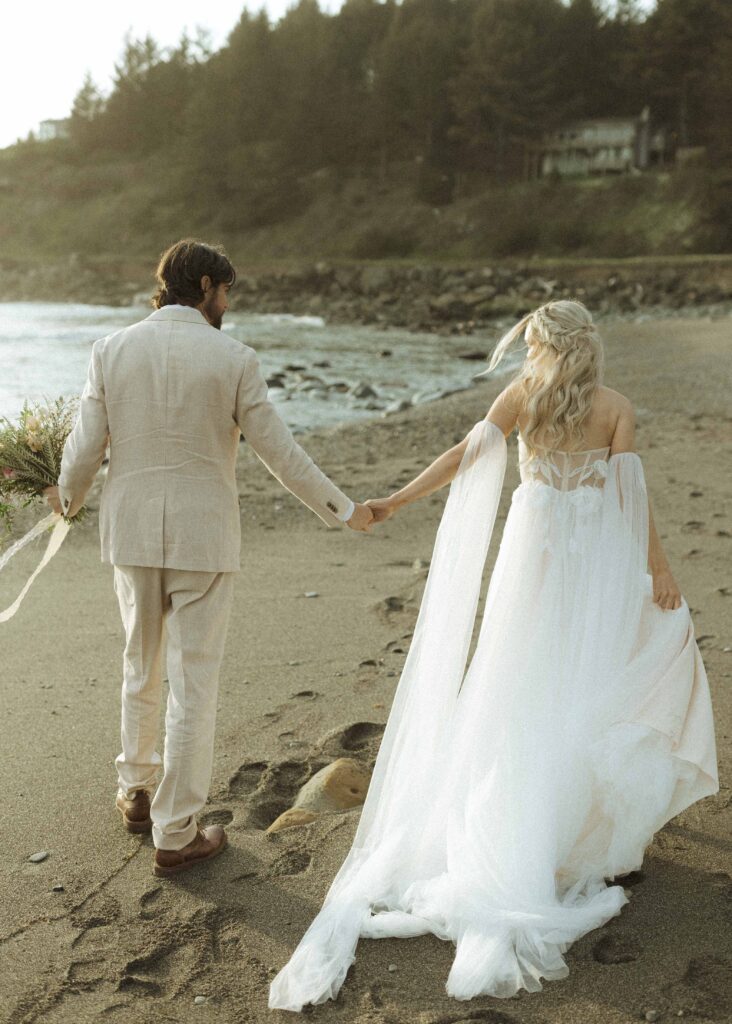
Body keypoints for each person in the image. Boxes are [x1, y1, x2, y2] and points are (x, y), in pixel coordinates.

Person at [268, 299, 719, 1010]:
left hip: (533, 556)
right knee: (590, 677)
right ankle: (586, 832)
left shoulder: (523, 398)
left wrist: (397, 498)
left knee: (522, 683)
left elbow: (467, 457)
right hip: (592, 557)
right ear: (591, 348)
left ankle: (540, 820)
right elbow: (634, 503)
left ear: (543, 347)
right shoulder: (616, 407)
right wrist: (659, 571)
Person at [43, 238, 373, 877]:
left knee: (140, 663)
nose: (228, 303)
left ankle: (135, 792)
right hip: (204, 539)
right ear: (202, 285)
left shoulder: (109, 351)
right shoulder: (234, 358)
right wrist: (344, 509)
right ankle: (175, 831)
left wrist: (65, 498)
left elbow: (84, 450)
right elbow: (279, 453)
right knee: (192, 683)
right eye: (225, 291)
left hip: (132, 534)